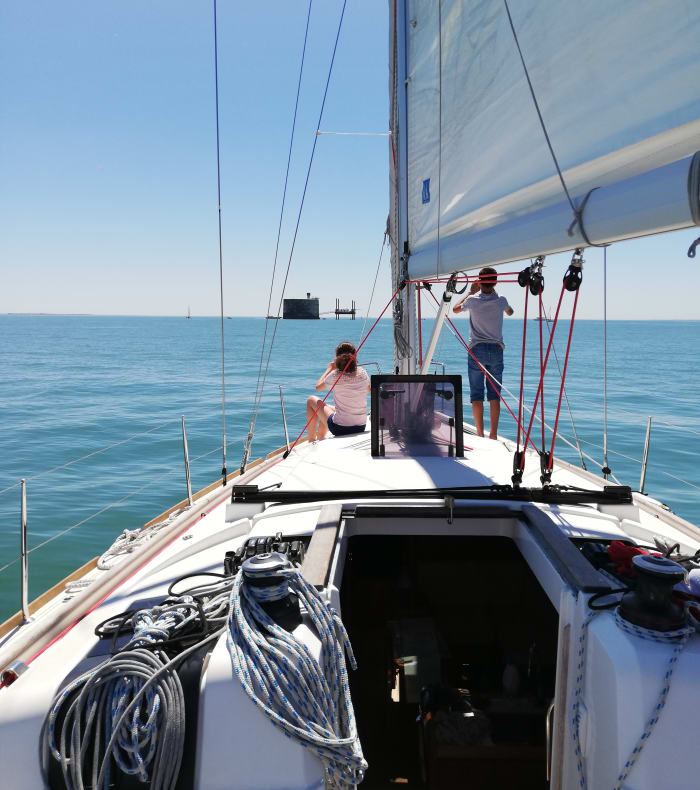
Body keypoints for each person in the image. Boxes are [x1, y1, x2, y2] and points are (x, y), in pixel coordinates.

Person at [453, 267, 514, 439]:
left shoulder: (472, 300)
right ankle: (493, 434)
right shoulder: (501, 300)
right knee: (494, 394)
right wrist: (494, 292)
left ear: (479, 281)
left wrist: (470, 292)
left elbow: (456, 309)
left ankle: (479, 433)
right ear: (495, 282)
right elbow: (510, 312)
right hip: (496, 350)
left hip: (476, 350)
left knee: (476, 393)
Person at [305, 341, 370, 441]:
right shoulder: (362, 372)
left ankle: (311, 440)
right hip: (361, 426)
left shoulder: (335, 375)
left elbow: (318, 387)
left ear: (337, 358)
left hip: (340, 429)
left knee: (311, 400)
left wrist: (329, 369)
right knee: (327, 408)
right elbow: (368, 390)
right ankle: (321, 437)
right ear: (355, 356)